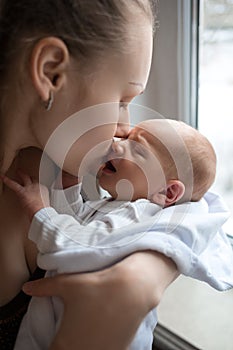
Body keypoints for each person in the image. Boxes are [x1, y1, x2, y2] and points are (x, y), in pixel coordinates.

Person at [0, 1, 232, 349]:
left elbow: (203, 210)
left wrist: (139, 280)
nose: (123, 128)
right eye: (123, 100)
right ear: (51, 73)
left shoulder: (49, 171)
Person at [1, 119, 231, 349]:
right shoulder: (118, 205)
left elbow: (75, 245)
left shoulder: (137, 214)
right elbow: (81, 224)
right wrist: (69, 184)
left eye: (137, 148)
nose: (116, 144)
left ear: (167, 191)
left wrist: (40, 210)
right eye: (126, 138)